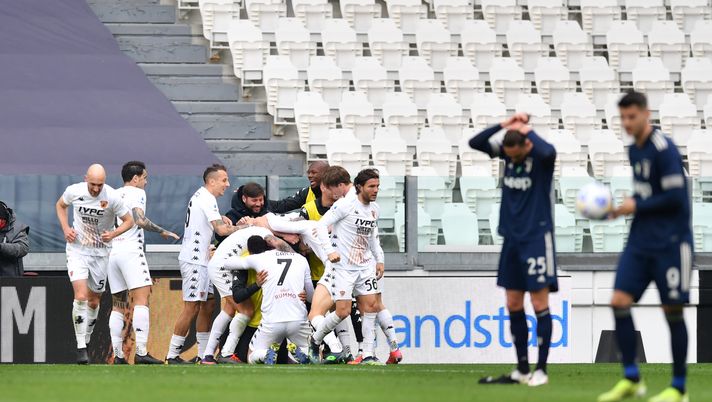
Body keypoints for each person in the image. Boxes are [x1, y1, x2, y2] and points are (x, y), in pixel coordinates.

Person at [598, 91, 693, 402]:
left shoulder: (664, 150)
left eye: (632, 117)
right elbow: (645, 194)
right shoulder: (633, 151)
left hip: (671, 243)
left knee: (672, 312)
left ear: (645, 114)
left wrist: (633, 206)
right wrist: (619, 209)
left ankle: (678, 388)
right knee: (619, 301)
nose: (626, 123)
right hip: (640, 242)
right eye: (623, 118)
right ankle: (631, 379)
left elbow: (676, 198)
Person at [469, 113, 557, 387]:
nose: (512, 159)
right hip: (511, 240)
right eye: (508, 155)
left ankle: (540, 370)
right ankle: (521, 369)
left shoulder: (541, 160)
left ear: (526, 146)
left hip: (536, 239)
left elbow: (550, 150)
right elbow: (476, 142)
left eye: (516, 154)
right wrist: (506, 124)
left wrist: (526, 129)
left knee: (540, 304)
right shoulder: (509, 155)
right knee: (513, 304)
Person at [55, 164, 134, 364]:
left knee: (93, 301)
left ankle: (87, 339)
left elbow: (129, 221)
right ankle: (81, 346)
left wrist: (114, 233)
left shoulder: (112, 197)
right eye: (93, 184)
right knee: (80, 296)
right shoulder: (75, 191)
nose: (96, 189)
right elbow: (60, 206)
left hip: (100, 253)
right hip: (77, 250)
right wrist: (66, 228)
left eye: (100, 185)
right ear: (85, 179)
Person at [308, 168, 388, 365]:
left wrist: (380, 259)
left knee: (370, 309)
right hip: (343, 268)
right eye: (371, 186)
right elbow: (319, 226)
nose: (375, 190)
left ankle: (368, 355)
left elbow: (372, 238)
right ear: (360, 187)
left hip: (364, 267)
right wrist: (329, 251)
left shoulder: (375, 209)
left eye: (377, 186)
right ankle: (316, 339)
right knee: (343, 312)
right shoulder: (345, 205)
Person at [165, 164, 241, 364]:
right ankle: (172, 355)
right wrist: (243, 228)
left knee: (208, 305)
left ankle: (202, 354)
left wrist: (224, 223)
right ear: (212, 181)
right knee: (191, 307)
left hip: (202, 260)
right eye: (224, 180)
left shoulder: (204, 197)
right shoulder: (207, 198)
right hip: (194, 260)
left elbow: (214, 225)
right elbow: (222, 231)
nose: (227, 184)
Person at [107, 161, 179, 365]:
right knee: (141, 298)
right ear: (136, 178)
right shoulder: (136, 193)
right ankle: (141, 351)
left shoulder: (114, 194)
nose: (146, 182)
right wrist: (162, 230)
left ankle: (118, 355)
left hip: (113, 253)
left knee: (118, 305)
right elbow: (139, 219)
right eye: (145, 178)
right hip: (130, 251)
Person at [223, 235, 314, 365]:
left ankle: (265, 354)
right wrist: (303, 294)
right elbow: (311, 296)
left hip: (272, 322)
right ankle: (301, 353)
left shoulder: (260, 258)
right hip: (298, 319)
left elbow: (227, 263)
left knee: (251, 356)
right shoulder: (301, 259)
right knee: (309, 353)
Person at [201, 224, 273, 364]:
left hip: (219, 264)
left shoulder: (261, 231)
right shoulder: (270, 237)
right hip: (223, 267)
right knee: (246, 310)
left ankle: (208, 355)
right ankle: (226, 353)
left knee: (228, 310)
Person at [0, 201, 29, 277]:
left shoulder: (18, 228)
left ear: (5, 219)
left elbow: (23, 248)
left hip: (11, 280)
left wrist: (2, 247)